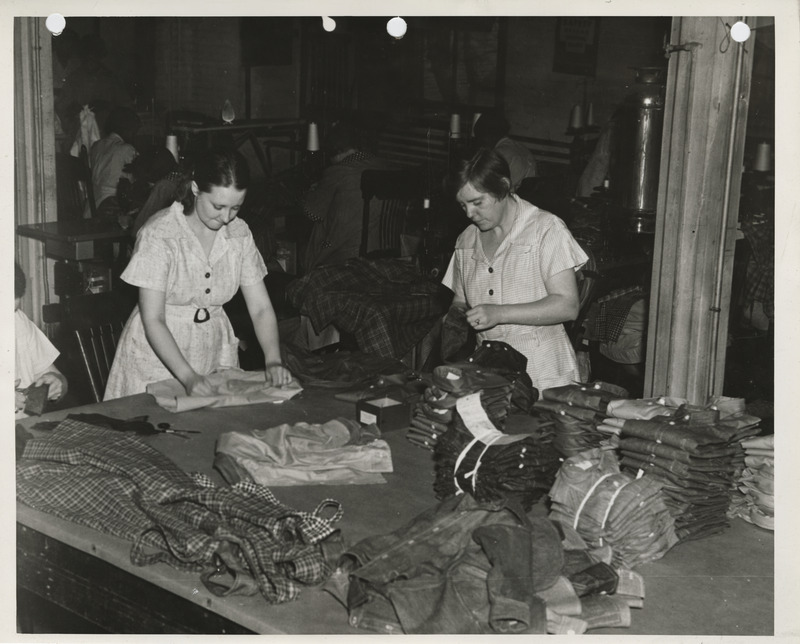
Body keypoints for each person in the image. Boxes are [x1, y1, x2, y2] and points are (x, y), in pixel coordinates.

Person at [104, 148, 292, 400]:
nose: (226, 217)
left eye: (236, 207)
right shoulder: (161, 234)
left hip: (213, 350)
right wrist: (188, 376)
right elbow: (154, 319)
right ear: (195, 189)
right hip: (156, 357)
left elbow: (260, 308)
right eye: (218, 206)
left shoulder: (239, 234)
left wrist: (273, 360)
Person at [441, 148, 588, 392]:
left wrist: (500, 313)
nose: (469, 214)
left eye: (478, 202)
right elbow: (460, 300)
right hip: (487, 374)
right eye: (463, 205)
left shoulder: (546, 230)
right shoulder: (466, 240)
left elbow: (567, 306)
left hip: (543, 375)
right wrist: (455, 318)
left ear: (503, 186)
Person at [300, 119, 392, 272]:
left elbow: (312, 212)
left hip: (346, 258)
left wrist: (308, 193)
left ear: (335, 151)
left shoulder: (337, 172)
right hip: (384, 253)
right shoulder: (385, 165)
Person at [15, 262, 68, 417]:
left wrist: (57, 384)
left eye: (13, 309)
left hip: (23, 427)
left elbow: (58, 379)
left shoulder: (19, 320)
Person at [89, 105, 141, 219]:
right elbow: (138, 177)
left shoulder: (97, 145)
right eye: (134, 131)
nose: (134, 136)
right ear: (126, 129)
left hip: (91, 205)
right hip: (111, 207)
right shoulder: (126, 148)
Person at [472, 111, 537, 191]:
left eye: (481, 138)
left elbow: (487, 185)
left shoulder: (498, 154)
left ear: (490, 135)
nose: (481, 144)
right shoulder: (522, 148)